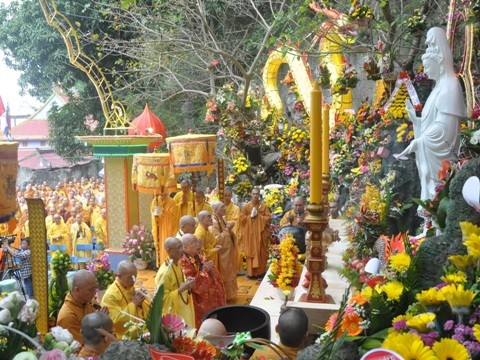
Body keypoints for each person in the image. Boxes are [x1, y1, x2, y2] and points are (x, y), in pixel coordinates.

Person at [394, 27, 466, 225]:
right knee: (429, 193)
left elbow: (445, 128)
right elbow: (430, 123)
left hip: (440, 155)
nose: (424, 72)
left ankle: (437, 225)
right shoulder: (438, 87)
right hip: (430, 153)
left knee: (438, 191)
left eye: (427, 66)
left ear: (439, 60)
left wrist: (419, 142)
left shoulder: (450, 85)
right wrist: (417, 120)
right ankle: (430, 225)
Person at [178, 233, 226, 328]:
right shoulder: (182, 261)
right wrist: (204, 271)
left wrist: (207, 266)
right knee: (202, 323)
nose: (197, 245)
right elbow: (191, 282)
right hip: (195, 299)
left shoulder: (195, 255)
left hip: (208, 295)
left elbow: (202, 260)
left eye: (197, 242)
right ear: (185, 247)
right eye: (194, 243)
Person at [101, 260, 150, 339]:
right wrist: (134, 304)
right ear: (118, 276)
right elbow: (116, 321)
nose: (133, 281)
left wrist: (141, 305)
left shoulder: (130, 287)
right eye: (130, 277)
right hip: (123, 337)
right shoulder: (110, 295)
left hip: (140, 330)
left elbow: (140, 309)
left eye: (135, 277)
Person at [154, 237, 195, 328]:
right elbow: (162, 299)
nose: (182, 250)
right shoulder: (165, 273)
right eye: (179, 248)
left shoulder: (176, 263)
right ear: (169, 251)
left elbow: (179, 283)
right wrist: (182, 289)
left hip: (182, 305)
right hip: (173, 311)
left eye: (182, 247)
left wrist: (187, 283)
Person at [57, 270, 108, 344]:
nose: (95, 293)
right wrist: (100, 323)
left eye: (95, 288)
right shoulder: (67, 316)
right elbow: (82, 345)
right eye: (91, 289)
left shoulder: (88, 300)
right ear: (77, 290)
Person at [210, 201, 238, 302]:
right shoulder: (213, 221)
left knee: (229, 272)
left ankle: (229, 295)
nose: (224, 209)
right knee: (224, 274)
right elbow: (217, 239)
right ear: (215, 210)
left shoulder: (221, 217)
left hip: (227, 252)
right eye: (222, 207)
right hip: (221, 254)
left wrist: (228, 230)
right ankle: (224, 296)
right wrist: (227, 229)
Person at [240, 188, 271, 279]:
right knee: (250, 252)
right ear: (251, 194)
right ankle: (251, 273)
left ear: (259, 195)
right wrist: (251, 216)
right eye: (253, 193)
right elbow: (241, 220)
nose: (255, 195)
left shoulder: (264, 206)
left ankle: (261, 272)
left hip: (261, 235)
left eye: (257, 194)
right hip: (250, 235)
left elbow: (268, 219)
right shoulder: (246, 207)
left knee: (261, 252)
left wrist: (258, 216)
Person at [150, 192, 180, 266]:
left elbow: (174, 217)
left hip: (168, 229)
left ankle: (169, 265)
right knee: (159, 246)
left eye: (164, 192)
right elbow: (152, 212)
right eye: (161, 192)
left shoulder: (172, 202)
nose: (163, 193)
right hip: (159, 228)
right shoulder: (155, 201)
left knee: (167, 246)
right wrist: (155, 214)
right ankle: (160, 267)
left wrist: (163, 212)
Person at [224, 188, 243, 273]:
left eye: (229, 195)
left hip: (232, 233)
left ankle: (235, 269)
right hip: (222, 232)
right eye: (225, 195)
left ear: (231, 196)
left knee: (235, 251)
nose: (227, 197)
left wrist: (225, 223)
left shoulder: (236, 208)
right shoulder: (220, 206)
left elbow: (236, 221)